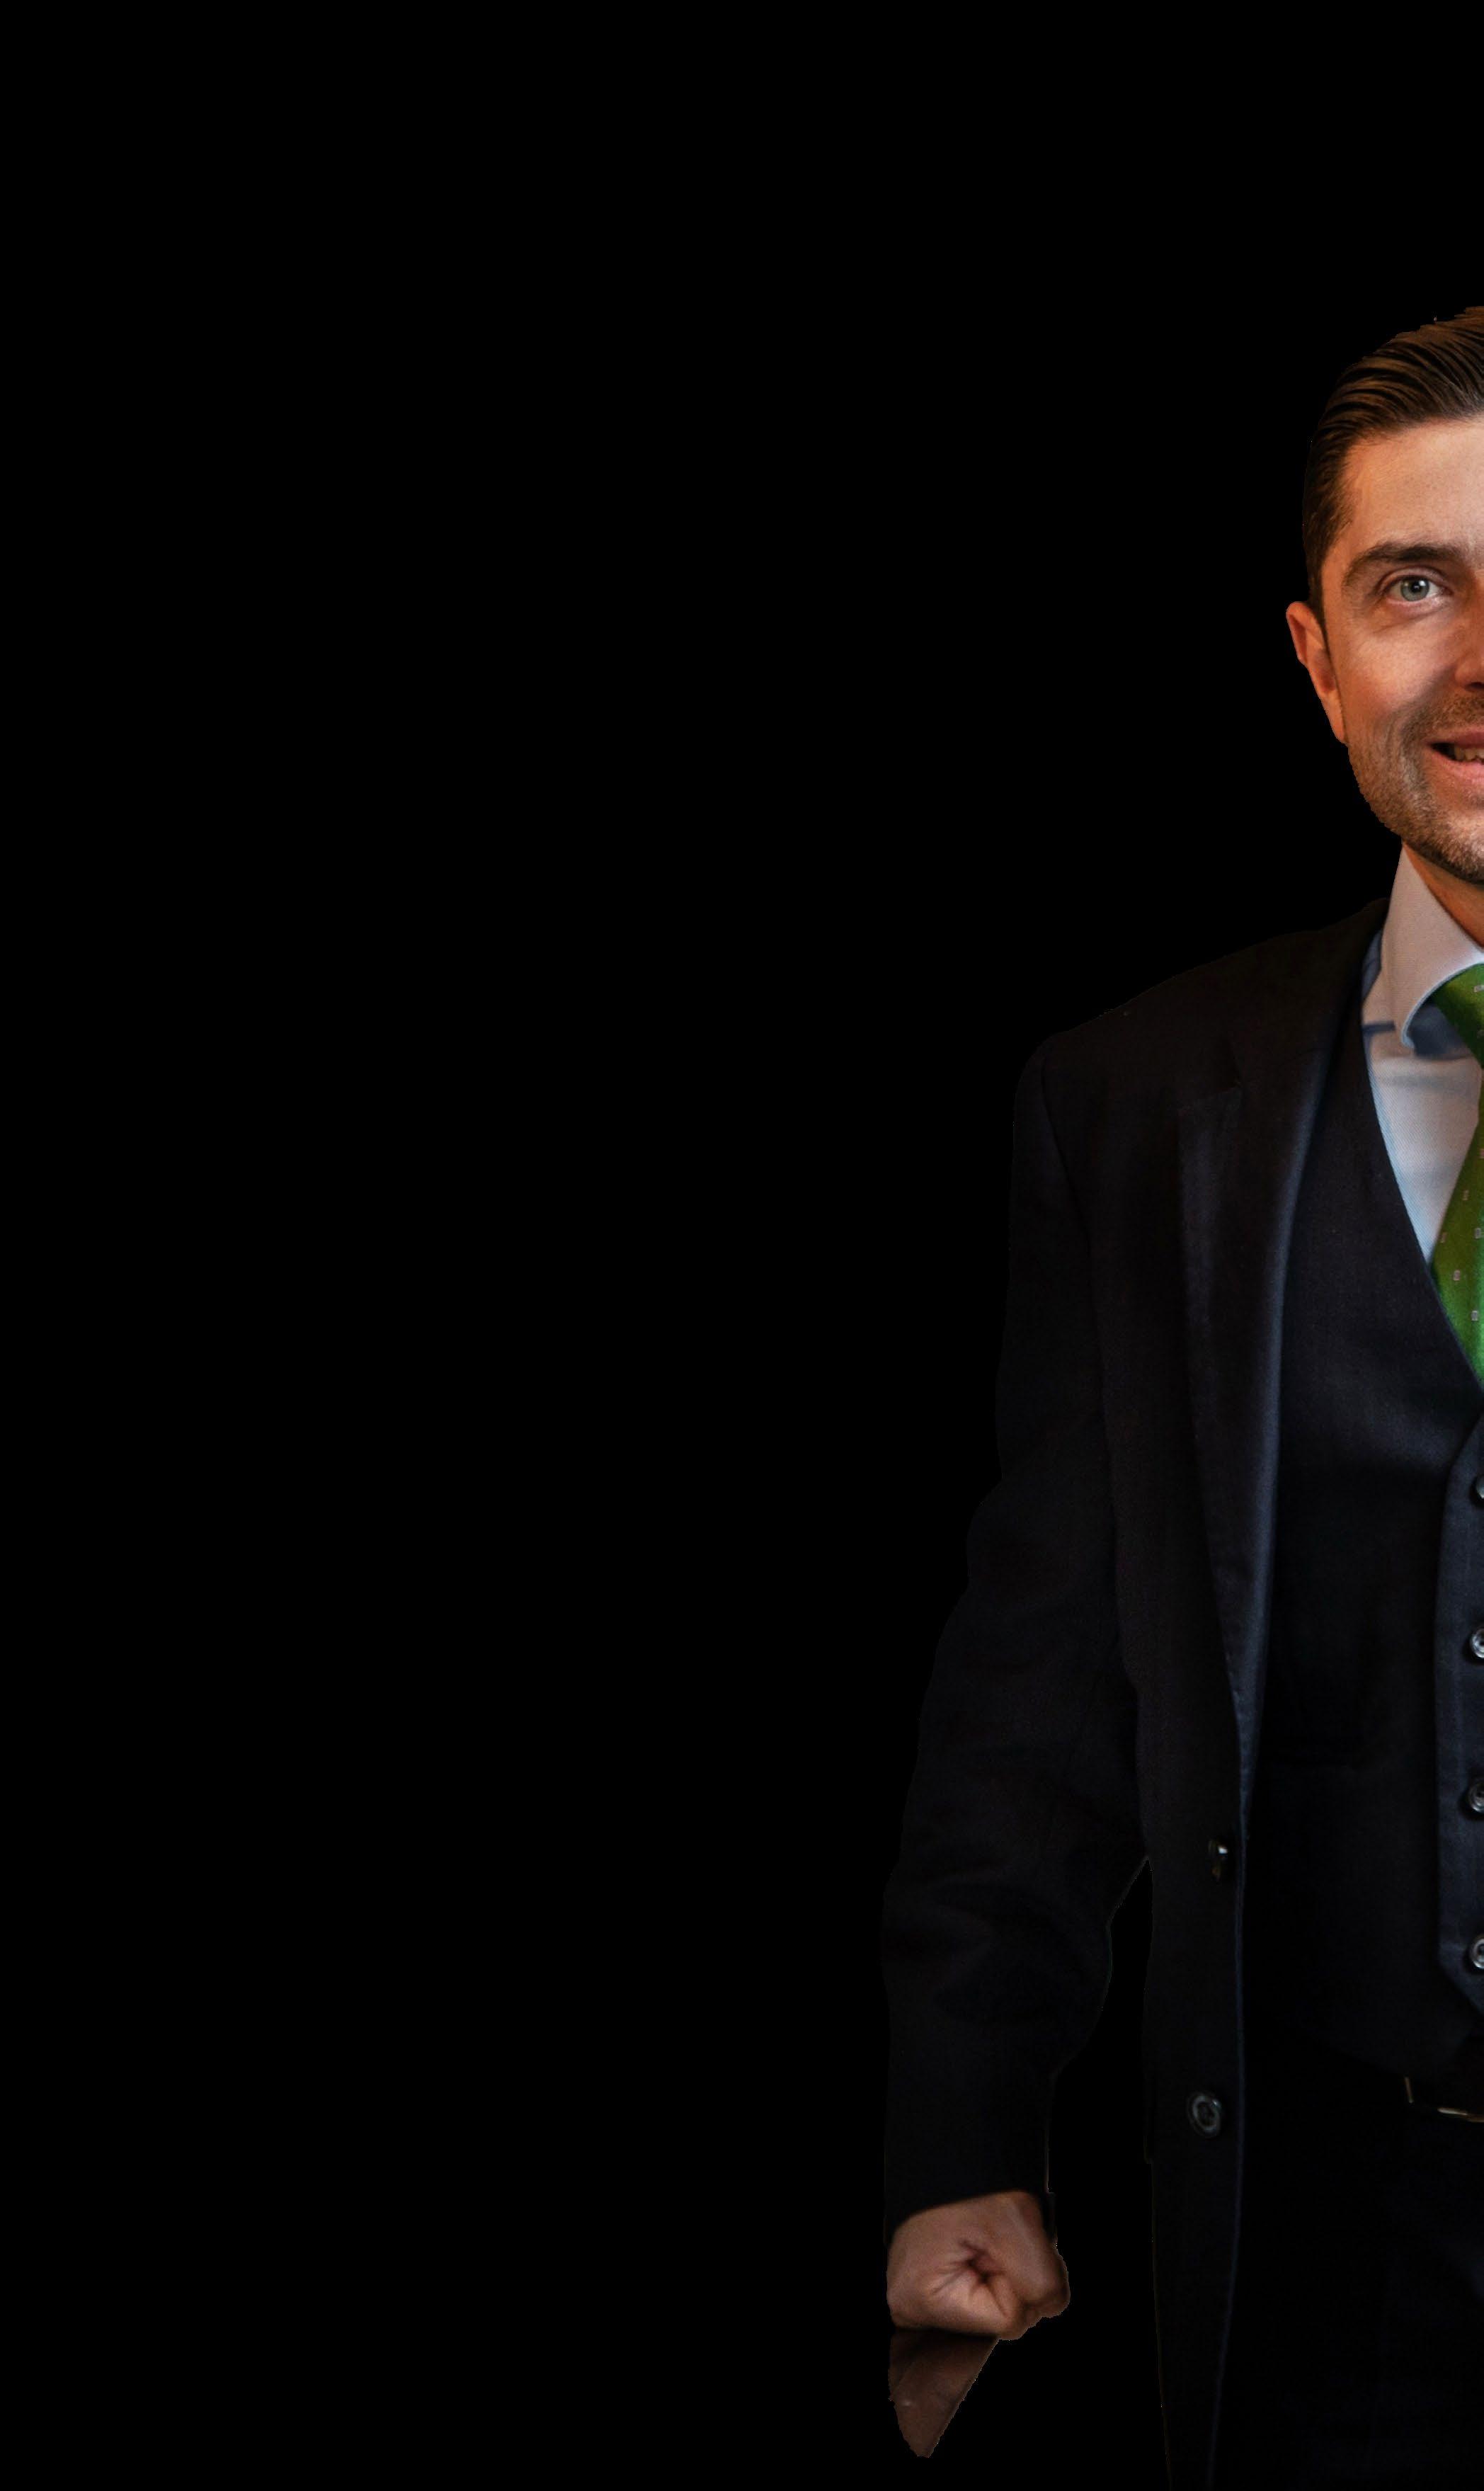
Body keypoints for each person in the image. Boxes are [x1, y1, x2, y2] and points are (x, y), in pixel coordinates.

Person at [881, 307, 1484, 2490]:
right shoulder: (1130, 1101)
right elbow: (1040, 1677)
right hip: (1337, 2260)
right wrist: (954, 2136)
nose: (1481, 661)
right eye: (1413, 584)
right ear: (1317, 659)